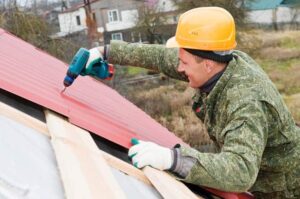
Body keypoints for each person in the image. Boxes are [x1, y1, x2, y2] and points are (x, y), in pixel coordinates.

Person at [86, 7, 300, 199]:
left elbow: (240, 171)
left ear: (207, 65)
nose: (179, 68)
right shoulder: (217, 62)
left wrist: (173, 159)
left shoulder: (246, 103)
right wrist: (106, 52)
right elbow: (161, 57)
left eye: (184, 62)